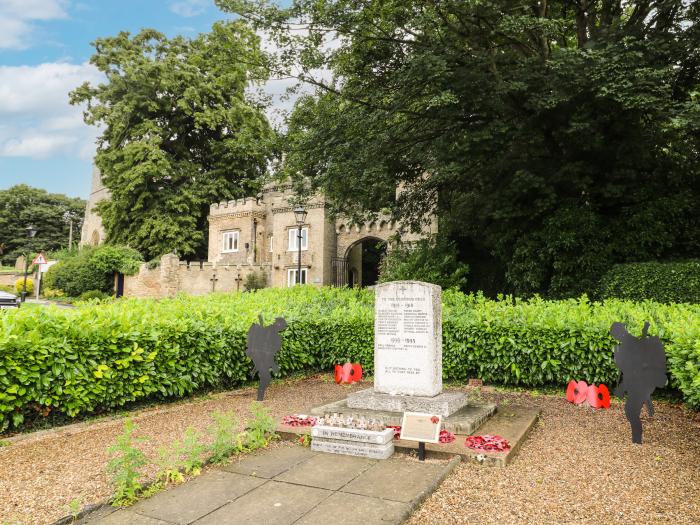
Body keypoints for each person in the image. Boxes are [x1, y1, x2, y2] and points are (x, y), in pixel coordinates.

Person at [610, 322, 667, 444]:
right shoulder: (628, 342)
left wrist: (619, 358)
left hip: (641, 381)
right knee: (633, 407)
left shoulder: (628, 344)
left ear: (619, 332)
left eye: (614, 334)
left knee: (630, 410)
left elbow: (631, 368)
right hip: (640, 382)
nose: (615, 337)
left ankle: (637, 441)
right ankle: (637, 439)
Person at [246, 315, 288, 401]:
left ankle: (259, 397)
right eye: (283, 326)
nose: (283, 329)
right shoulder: (272, 334)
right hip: (258, 354)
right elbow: (268, 352)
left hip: (258, 355)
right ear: (279, 325)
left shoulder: (272, 332)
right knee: (266, 377)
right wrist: (273, 365)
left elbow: (269, 353)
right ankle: (259, 399)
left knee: (264, 373)